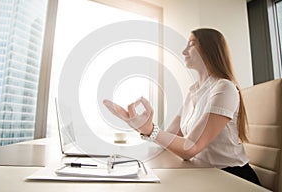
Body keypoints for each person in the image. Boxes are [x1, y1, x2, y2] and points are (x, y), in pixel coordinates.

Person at [103, 28, 261, 185]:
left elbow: (191, 147)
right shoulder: (193, 92)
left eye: (191, 44)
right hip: (202, 171)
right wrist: (138, 125)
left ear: (210, 49)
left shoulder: (224, 88)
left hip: (231, 176)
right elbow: (170, 136)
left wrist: (150, 130)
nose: (184, 51)